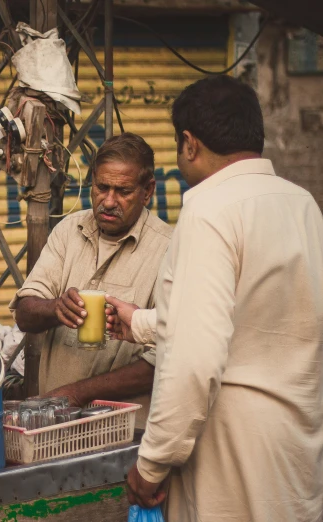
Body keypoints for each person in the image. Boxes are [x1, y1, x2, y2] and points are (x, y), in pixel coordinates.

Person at [106, 75, 323, 521]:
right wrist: (141, 323)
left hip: (232, 452)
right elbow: (262, 317)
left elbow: (194, 359)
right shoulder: (302, 204)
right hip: (298, 446)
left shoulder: (209, 209)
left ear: (189, 143)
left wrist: (152, 464)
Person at [9, 132, 172, 422]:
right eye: (101, 187)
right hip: (57, 425)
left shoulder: (170, 249)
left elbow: (163, 360)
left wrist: (75, 394)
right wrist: (55, 308)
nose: (108, 202)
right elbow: (24, 314)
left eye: (122, 191)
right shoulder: (69, 230)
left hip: (126, 433)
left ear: (147, 191)